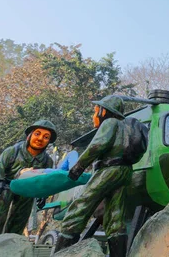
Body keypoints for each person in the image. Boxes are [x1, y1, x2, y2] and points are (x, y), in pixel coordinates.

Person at [54, 95, 133, 257]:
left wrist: (78, 167)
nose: (93, 116)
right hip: (124, 172)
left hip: (108, 170)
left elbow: (97, 146)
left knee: (79, 208)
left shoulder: (110, 123)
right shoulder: (126, 127)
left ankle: (60, 253)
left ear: (104, 111)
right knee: (116, 217)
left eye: (96, 111)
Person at [0, 120, 57, 241]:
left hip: (26, 191)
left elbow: (45, 179)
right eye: (37, 134)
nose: (40, 139)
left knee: (19, 220)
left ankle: (9, 246)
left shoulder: (47, 160)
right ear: (30, 135)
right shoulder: (13, 151)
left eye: (46, 137)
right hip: (5, 186)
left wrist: (42, 195)